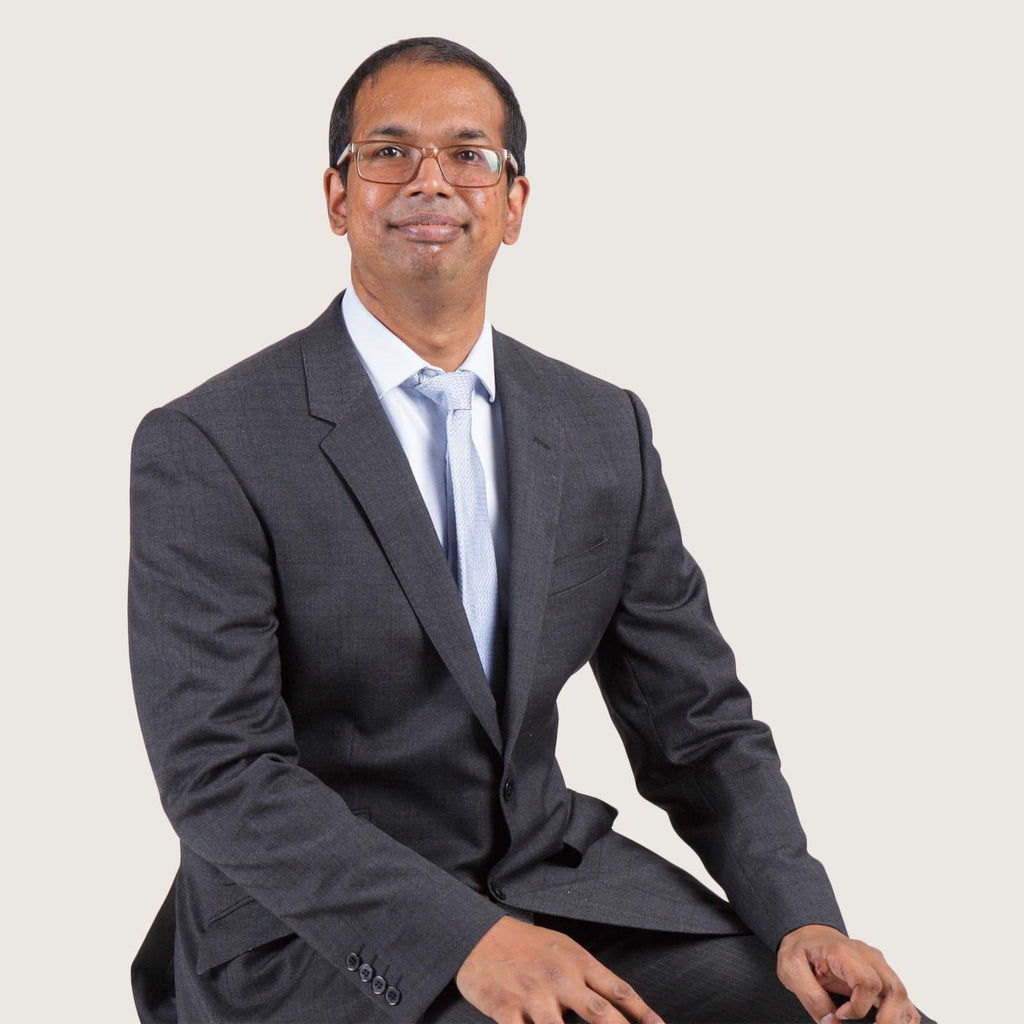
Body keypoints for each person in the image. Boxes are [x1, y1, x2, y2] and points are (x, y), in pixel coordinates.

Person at [127, 36, 934, 1024]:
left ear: (513, 205)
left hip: (557, 885)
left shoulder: (599, 429)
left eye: (469, 154)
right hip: (312, 932)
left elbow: (698, 725)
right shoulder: (210, 443)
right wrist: (462, 938)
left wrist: (803, 918)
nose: (430, 180)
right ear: (338, 197)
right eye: (389, 152)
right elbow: (221, 774)